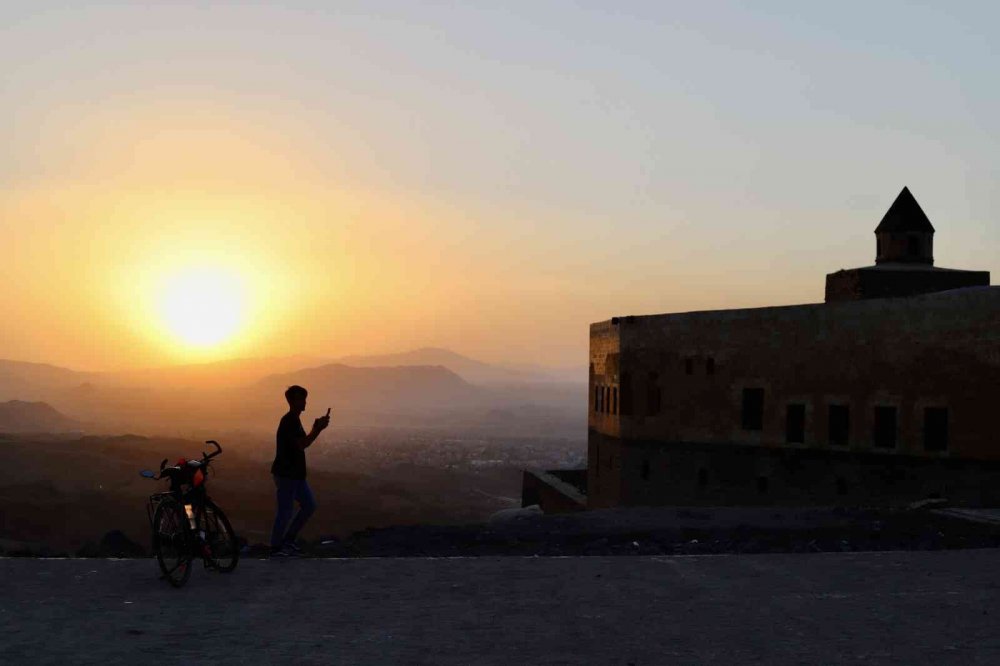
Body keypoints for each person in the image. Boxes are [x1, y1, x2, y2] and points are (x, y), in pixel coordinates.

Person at [269, 384, 330, 557]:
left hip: (295, 475)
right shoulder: (289, 421)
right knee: (285, 511)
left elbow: (303, 443)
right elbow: (302, 444)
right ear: (293, 401)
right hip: (287, 474)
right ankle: (276, 548)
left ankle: (288, 541)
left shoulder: (294, 420)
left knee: (309, 506)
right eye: (302, 398)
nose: (305, 402)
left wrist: (316, 429)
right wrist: (317, 429)